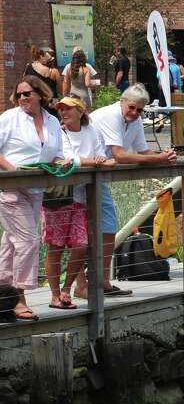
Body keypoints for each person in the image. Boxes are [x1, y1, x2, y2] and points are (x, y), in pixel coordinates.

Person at [88, 84, 177, 297]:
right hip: (88, 172)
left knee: (104, 229)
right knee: (97, 231)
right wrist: (158, 159)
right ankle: (96, 283)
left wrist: (165, 156)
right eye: (132, 108)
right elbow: (120, 155)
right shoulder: (111, 116)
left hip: (97, 175)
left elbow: (143, 151)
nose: (135, 113)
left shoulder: (133, 120)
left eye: (140, 110)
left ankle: (99, 282)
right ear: (121, 102)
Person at [0, 76, 67, 321]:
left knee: (11, 244)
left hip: (36, 189)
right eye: (18, 95)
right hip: (11, 189)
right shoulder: (9, 118)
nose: (22, 99)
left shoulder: (51, 121)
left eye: (27, 93)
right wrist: (12, 172)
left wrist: (63, 161)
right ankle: (19, 298)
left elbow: (55, 154)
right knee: (28, 241)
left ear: (40, 94)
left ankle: (2, 293)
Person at [46, 96, 115, 309]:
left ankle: (68, 288)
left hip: (82, 198)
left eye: (68, 109)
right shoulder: (59, 131)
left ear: (80, 111)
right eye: (61, 109)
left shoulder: (91, 131)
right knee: (56, 246)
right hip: (60, 197)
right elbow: (68, 159)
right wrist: (92, 161)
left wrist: (94, 160)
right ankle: (55, 294)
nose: (64, 113)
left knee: (81, 245)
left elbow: (101, 155)